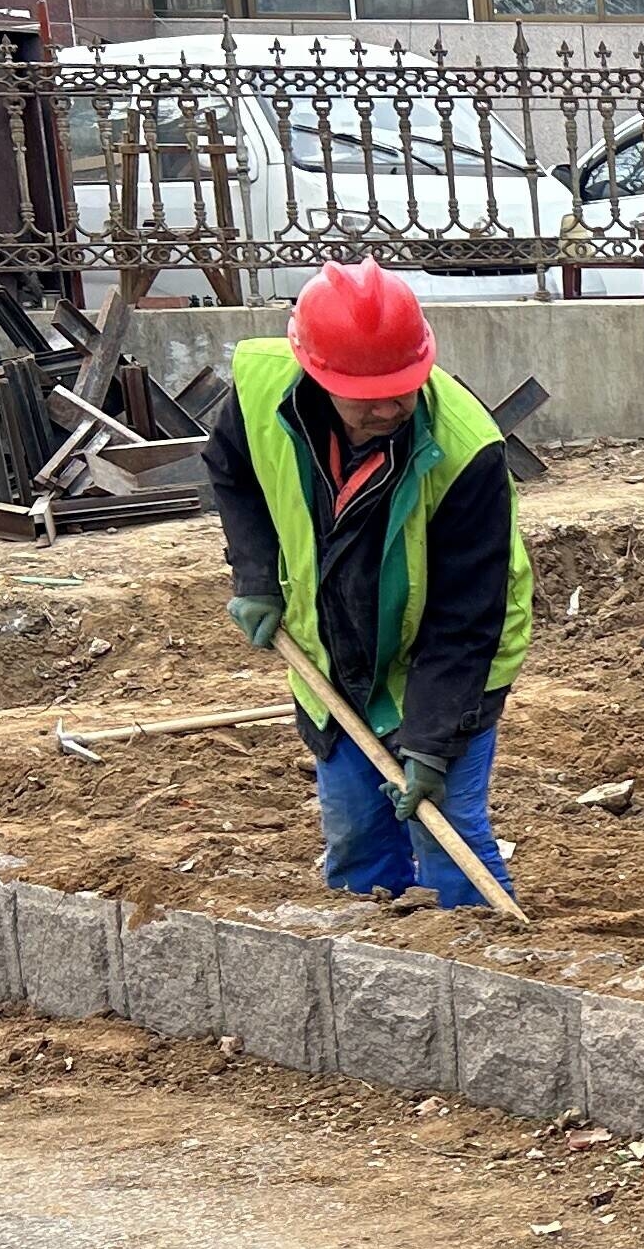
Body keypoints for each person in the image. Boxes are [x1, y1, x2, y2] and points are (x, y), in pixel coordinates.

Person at [201, 257, 533, 909]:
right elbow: (232, 472)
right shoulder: (259, 392)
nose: (388, 406)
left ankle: (475, 956)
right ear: (318, 376)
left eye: (402, 386)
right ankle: (371, 933)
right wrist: (256, 573)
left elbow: (466, 618)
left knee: (445, 829)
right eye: (366, 392)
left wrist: (432, 744)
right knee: (355, 828)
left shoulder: (468, 452)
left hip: (448, 661)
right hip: (331, 650)